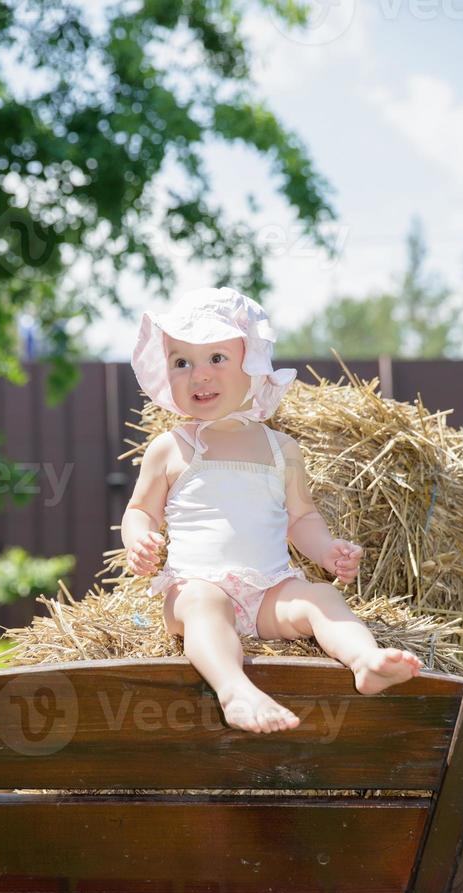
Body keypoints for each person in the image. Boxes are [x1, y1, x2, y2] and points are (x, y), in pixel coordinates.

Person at [122, 286, 422, 734]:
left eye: (216, 358)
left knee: (321, 597)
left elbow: (300, 518)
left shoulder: (282, 449)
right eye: (181, 362)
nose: (198, 375)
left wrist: (325, 551)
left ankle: (365, 660)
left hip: (268, 593)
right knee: (206, 602)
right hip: (193, 590)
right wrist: (139, 538)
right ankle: (234, 692)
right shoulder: (172, 448)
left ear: (253, 366)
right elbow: (139, 510)